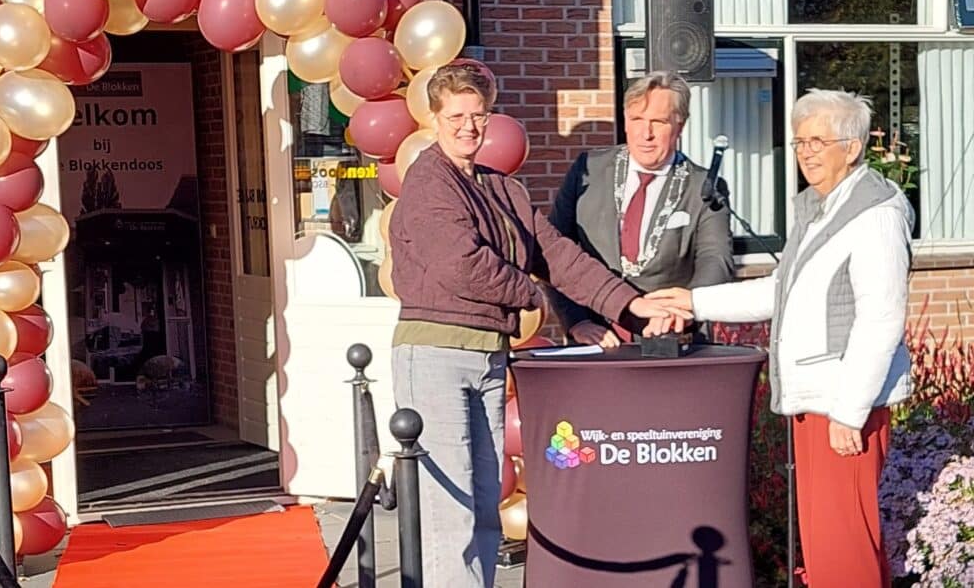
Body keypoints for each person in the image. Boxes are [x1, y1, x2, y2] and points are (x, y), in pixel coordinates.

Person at [389, 62, 687, 588]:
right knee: (450, 513)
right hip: (435, 355)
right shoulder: (428, 181)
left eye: (478, 115)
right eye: (456, 115)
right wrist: (531, 296)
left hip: (487, 355)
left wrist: (630, 305)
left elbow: (560, 257)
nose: (469, 127)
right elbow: (461, 265)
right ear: (435, 118)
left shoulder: (503, 190)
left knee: (482, 504)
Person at [646, 89, 912, 587]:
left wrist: (849, 412)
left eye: (818, 140)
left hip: (842, 407)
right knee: (828, 542)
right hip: (816, 403)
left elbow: (881, 318)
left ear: (852, 148)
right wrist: (694, 301)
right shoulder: (820, 208)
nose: (806, 152)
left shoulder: (875, 214)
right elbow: (780, 291)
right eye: (799, 142)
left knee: (843, 545)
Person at [548, 71, 734, 345]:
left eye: (658, 122)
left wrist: (686, 309)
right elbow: (556, 250)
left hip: (670, 337)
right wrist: (577, 321)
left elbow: (715, 259)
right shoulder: (588, 170)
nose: (645, 134)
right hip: (596, 338)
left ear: (679, 127)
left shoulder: (703, 187)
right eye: (637, 120)